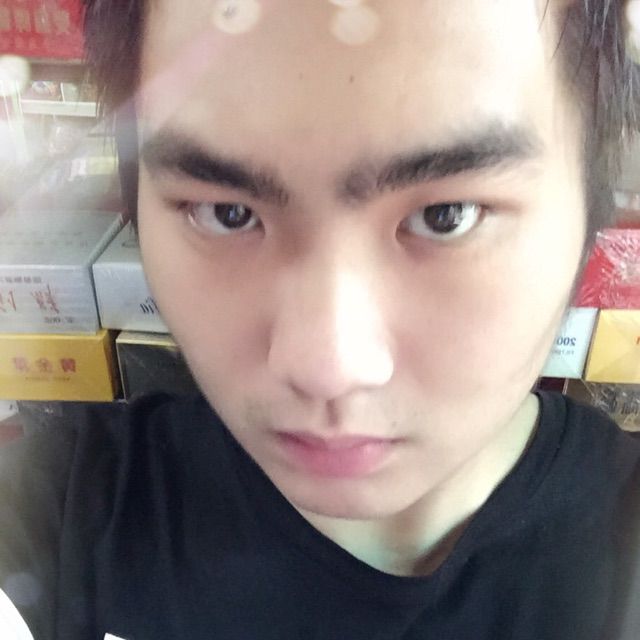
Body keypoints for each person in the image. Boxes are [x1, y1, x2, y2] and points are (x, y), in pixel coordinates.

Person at [2, 0, 640, 638]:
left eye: (445, 216)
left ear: (591, 205)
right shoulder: (55, 505)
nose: (326, 369)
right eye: (226, 213)